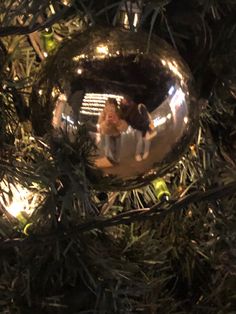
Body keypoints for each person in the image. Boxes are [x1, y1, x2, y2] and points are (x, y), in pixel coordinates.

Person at [119, 97, 156, 161]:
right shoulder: (123, 111)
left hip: (144, 125)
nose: (123, 100)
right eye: (122, 100)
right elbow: (126, 120)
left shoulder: (137, 106)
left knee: (146, 140)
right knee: (140, 141)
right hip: (137, 127)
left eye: (124, 98)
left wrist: (146, 127)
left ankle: (146, 152)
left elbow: (145, 117)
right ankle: (137, 154)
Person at [98, 98, 128, 164]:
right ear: (105, 106)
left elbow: (125, 127)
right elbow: (100, 126)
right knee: (109, 148)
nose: (110, 108)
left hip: (117, 134)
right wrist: (106, 122)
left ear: (115, 106)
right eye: (107, 105)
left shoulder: (119, 112)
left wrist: (117, 122)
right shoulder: (103, 113)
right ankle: (110, 161)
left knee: (118, 148)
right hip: (108, 134)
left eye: (112, 106)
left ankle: (116, 160)